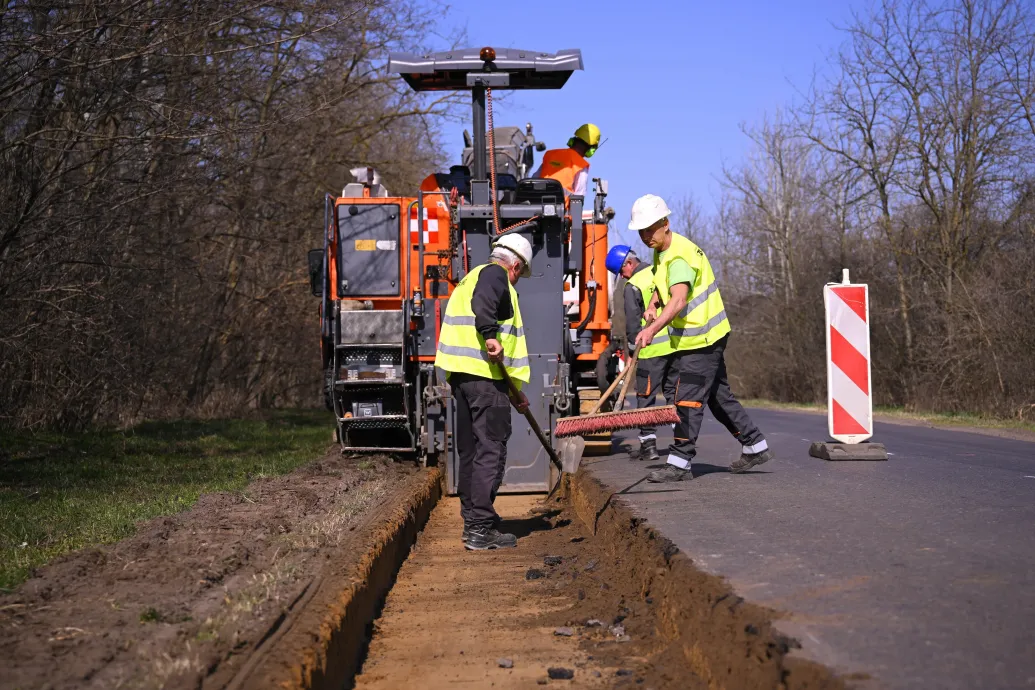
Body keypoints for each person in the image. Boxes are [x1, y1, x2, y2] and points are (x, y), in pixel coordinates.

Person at [627, 194, 773, 482]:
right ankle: (755, 445)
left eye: (649, 229)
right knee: (718, 398)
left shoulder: (679, 256)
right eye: (641, 231)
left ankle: (679, 463)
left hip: (703, 341)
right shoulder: (662, 251)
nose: (645, 236)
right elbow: (663, 283)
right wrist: (654, 303)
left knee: (687, 400)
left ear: (665, 224)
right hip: (701, 339)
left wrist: (651, 329)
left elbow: (679, 299)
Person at [435, 234, 533, 549]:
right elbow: (485, 305)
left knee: (472, 451)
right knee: (492, 449)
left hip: (465, 378)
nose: (516, 281)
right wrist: (490, 334)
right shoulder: (495, 275)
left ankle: (474, 519)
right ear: (515, 265)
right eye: (520, 274)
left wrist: (516, 391)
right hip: (486, 379)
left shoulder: (468, 278)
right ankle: (480, 528)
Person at [605, 244, 675, 463]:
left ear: (628, 263)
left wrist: (631, 356)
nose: (622, 277)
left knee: (646, 397)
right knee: (674, 396)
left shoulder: (632, 285)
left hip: (649, 349)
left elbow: (633, 325)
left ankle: (649, 446)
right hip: (673, 347)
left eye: (621, 272)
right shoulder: (657, 271)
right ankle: (682, 444)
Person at [534, 123, 601, 199]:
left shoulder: (550, 154)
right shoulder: (581, 165)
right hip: (562, 209)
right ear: (592, 149)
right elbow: (579, 196)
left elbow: (534, 179)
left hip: (537, 204)